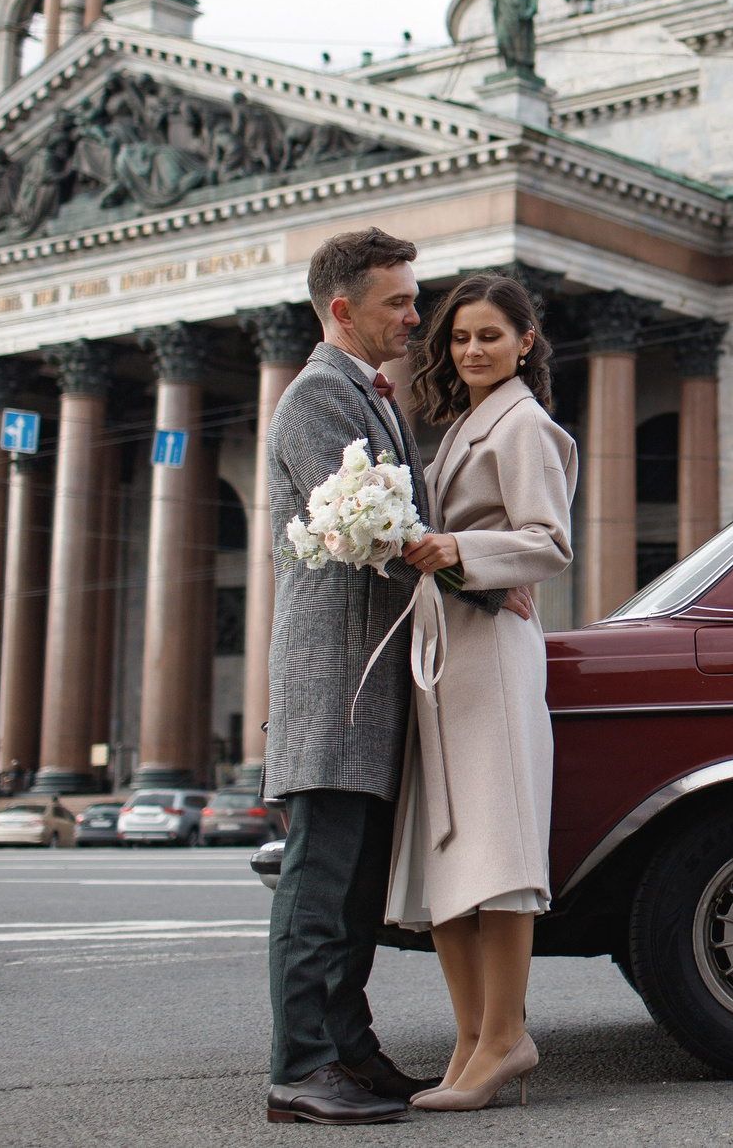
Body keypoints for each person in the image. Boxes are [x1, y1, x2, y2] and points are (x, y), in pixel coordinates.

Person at [262, 227, 442, 1126]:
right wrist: (466, 566)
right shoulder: (316, 398)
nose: (416, 314)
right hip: (334, 673)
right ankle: (300, 1064)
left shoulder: (367, 392)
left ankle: (352, 1050)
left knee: (358, 883)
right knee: (320, 882)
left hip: (366, 676)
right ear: (344, 308)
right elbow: (374, 528)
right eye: (399, 301)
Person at [391, 272, 576, 1111]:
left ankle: (506, 1035)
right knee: (452, 849)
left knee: (496, 849)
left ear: (525, 341)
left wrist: (459, 552)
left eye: (490, 336)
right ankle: (472, 1038)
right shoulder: (467, 420)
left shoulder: (525, 423)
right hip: (450, 649)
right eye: (461, 337)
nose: (472, 349)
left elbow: (547, 541)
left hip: (492, 653)